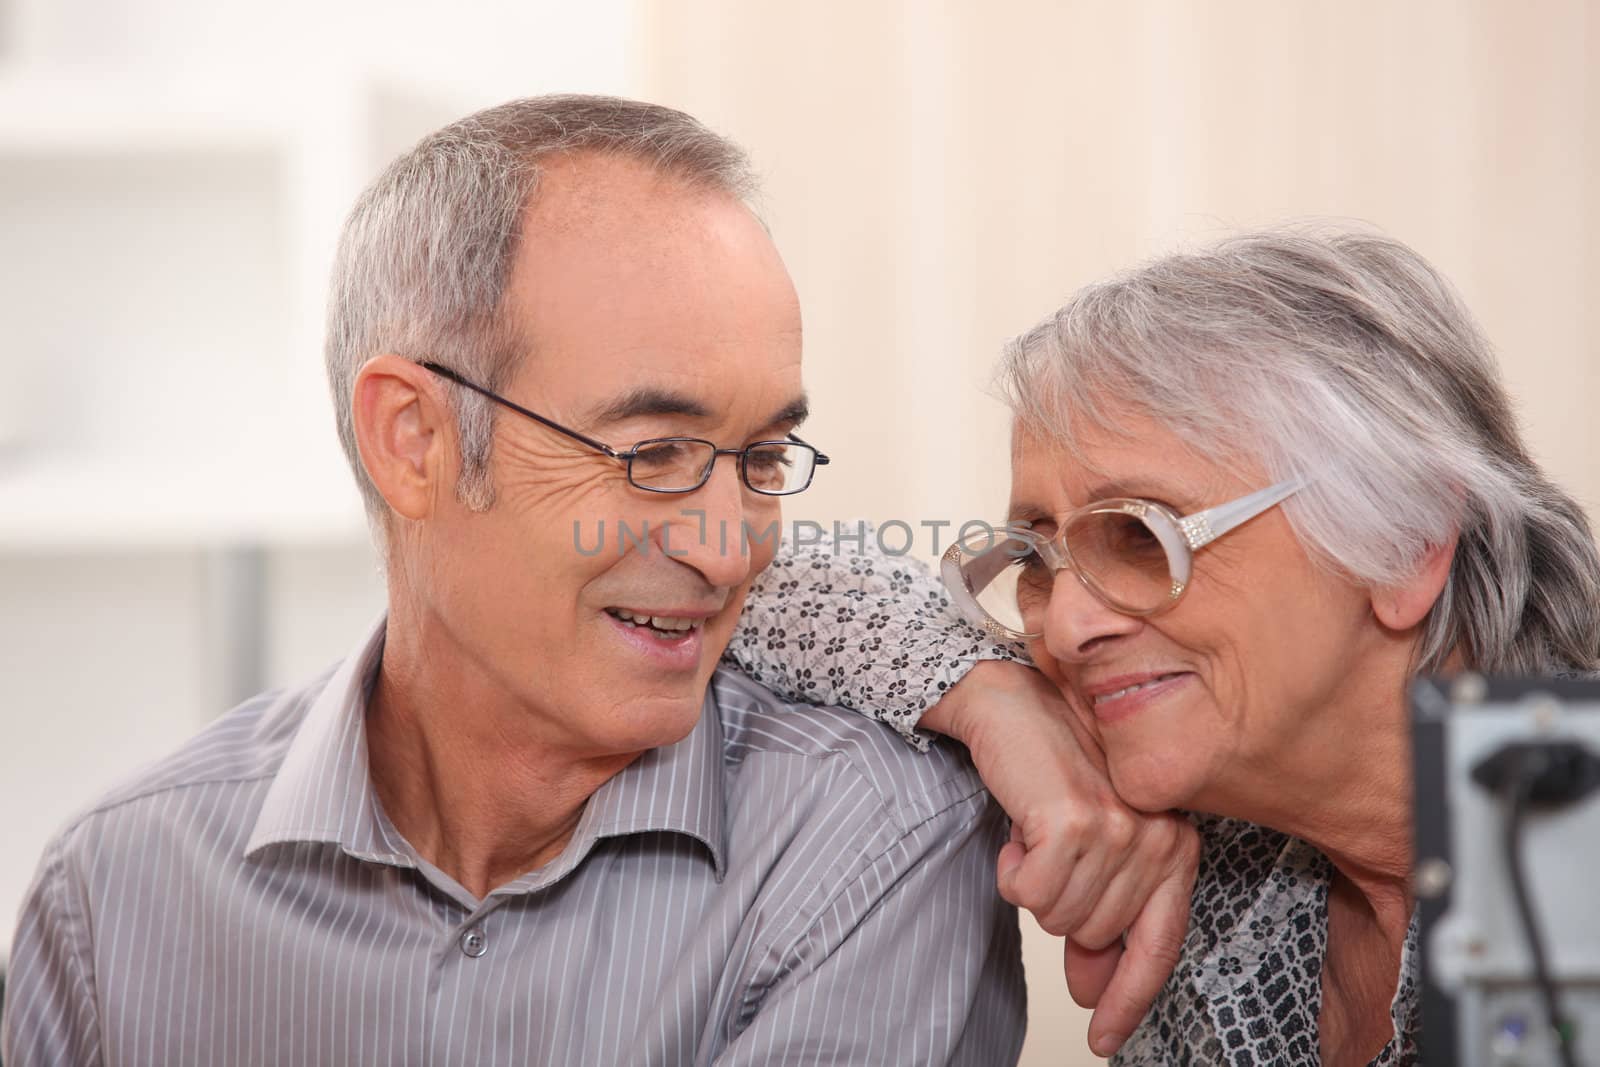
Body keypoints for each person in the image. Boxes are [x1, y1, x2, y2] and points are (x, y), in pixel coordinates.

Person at [2, 95, 1050, 1065]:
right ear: (412, 440)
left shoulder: (874, 842)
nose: (733, 550)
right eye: (653, 454)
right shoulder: (115, 893)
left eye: (763, 459)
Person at [733, 227, 1600, 1065]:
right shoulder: (1231, 846)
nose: (1066, 630)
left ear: (1406, 540)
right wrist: (997, 697)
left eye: (1144, 538)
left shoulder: (1572, 849)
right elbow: (736, 579)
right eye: (1036, 559)